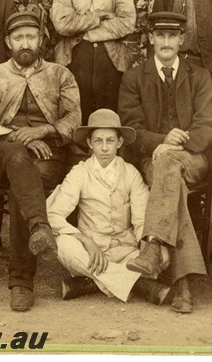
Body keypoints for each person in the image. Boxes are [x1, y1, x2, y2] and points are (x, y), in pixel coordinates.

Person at [0, 11, 82, 312]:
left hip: (50, 157)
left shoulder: (61, 75)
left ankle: (21, 282)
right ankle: (37, 232)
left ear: (41, 39)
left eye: (30, 37)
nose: (25, 43)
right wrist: (21, 137)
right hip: (3, 153)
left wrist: (45, 130)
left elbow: (74, 119)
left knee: (25, 182)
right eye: (18, 38)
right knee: (20, 159)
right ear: (8, 42)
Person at [117, 11, 212, 313]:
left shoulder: (200, 76)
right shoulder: (134, 77)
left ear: (182, 40)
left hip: (193, 159)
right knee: (171, 181)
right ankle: (182, 286)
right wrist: (160, 142)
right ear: (151, 39)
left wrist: (175, 143)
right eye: (161, 35)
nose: (166, 42)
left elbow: (207, 126)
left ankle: (153, 245)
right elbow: (131, 129)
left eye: (173, 36)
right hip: (154, 159)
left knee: (169, 166)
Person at [46, 109, 172, 306]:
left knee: (162, 258)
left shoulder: (130, 173)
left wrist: (146, 251)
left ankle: (91, 284)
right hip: (91, 252)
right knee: (64, 246)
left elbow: (141, 220)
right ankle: (141, 285)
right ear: (89, 143)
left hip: (125, 249)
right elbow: (54, 214)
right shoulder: (80, 172)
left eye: (110, 141)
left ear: (119, 142)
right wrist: (86, 241)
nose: (104, 148)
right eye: (98, 141)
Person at [50, 0, 137, 121]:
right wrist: (98, 16)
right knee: (76, 115)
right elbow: (62, 24)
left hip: (111, 65)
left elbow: (127, 22)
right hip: (75, 61)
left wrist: (82, 27)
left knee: (109, 118)